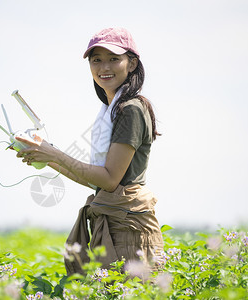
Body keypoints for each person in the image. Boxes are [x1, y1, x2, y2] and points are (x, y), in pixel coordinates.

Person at [15, 28, 165, 275]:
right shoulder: (111, 109)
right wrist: (45, 155)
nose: (104, 67)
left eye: (114, 59)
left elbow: (109, 180)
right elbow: (97, 182)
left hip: (128, 230)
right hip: (117, 224)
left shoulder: (130, 109)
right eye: (96, 60)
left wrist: (54, 155)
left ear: (132, 63)